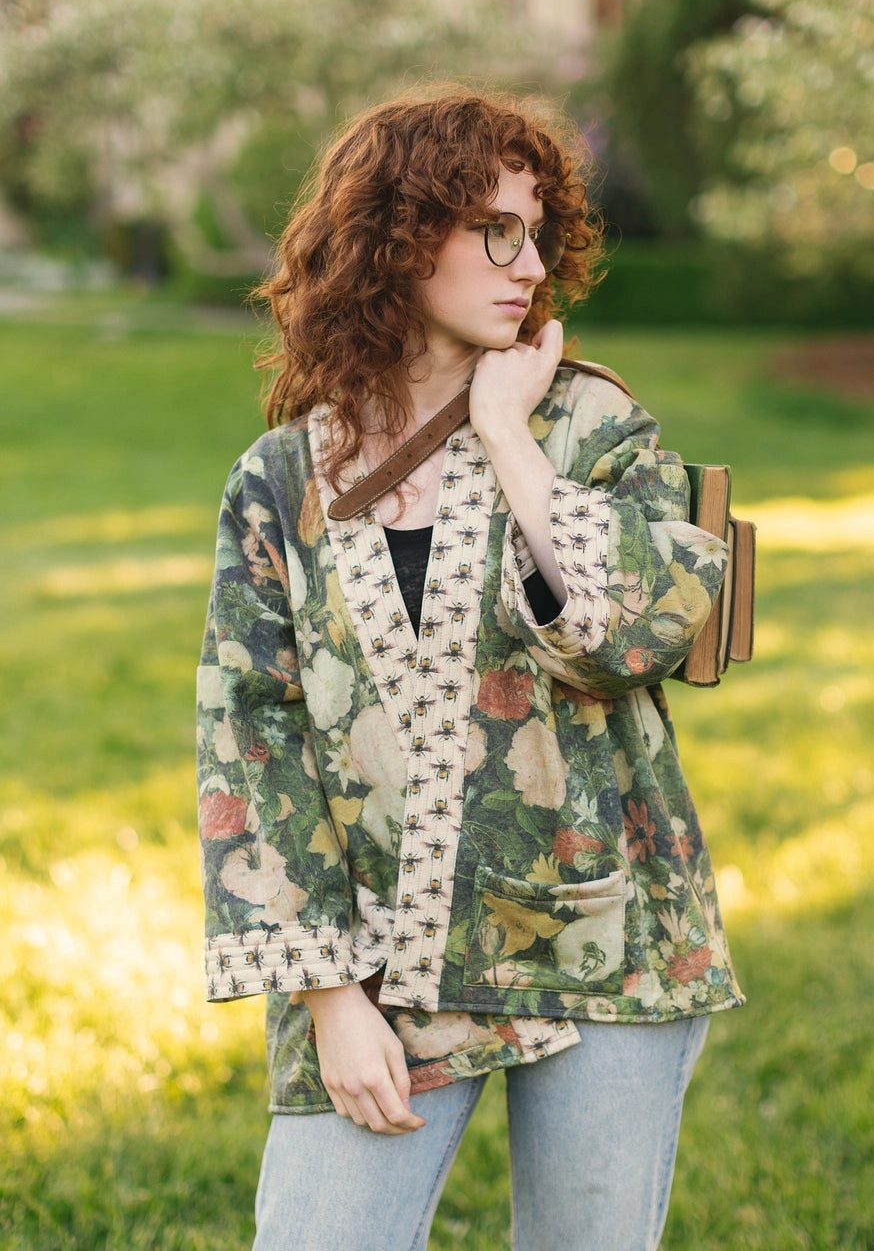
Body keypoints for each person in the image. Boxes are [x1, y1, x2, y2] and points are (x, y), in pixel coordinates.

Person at [196, 85, 745, 1251]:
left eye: (537, 231)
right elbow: (250, 746)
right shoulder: (279, 480)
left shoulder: (591, 429)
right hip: (381, 964)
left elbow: (635, 638)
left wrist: (505, 434)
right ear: (399, 239)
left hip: (606, 939)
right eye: (497, 228)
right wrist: (331, 1001)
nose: (529, 262)